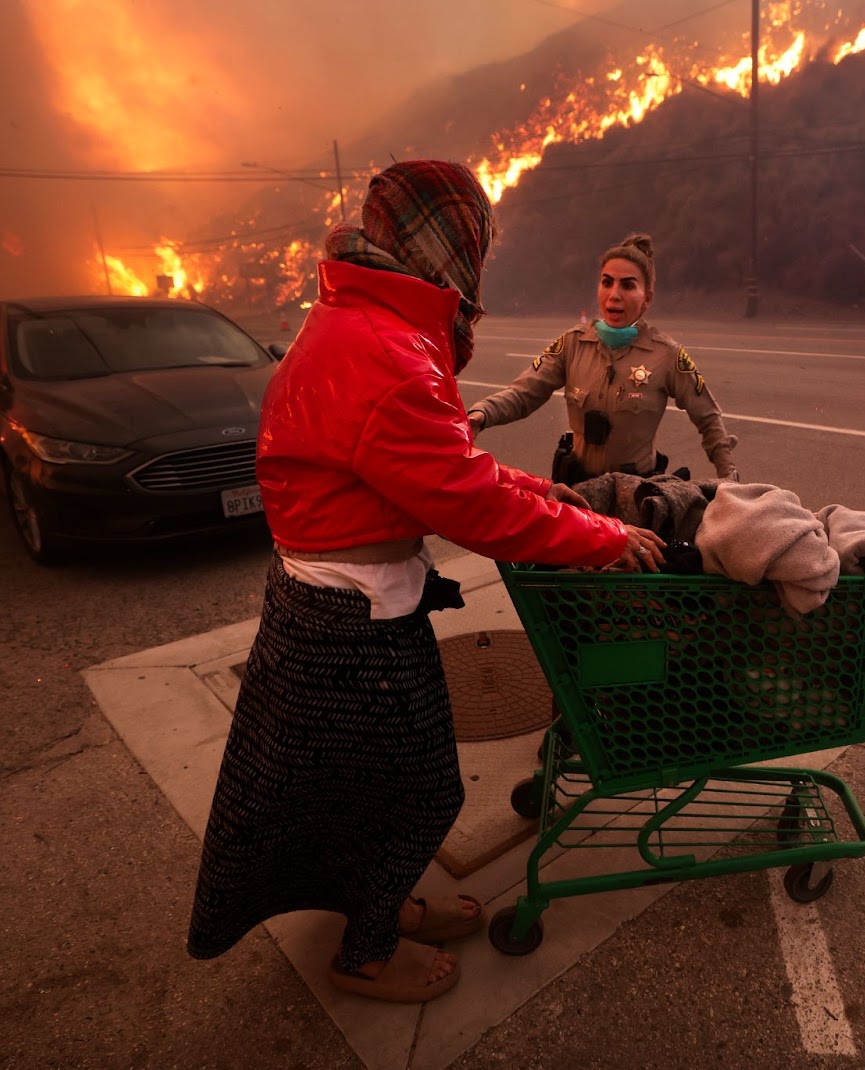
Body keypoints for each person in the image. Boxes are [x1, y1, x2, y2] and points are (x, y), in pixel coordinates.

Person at [186, 160, 666, 1005]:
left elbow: (441, 468)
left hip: (337, 601)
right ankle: (366, 951)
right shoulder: (385, 347)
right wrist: (597, 537)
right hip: (348, 620)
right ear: (453, 245)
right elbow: (463, 502)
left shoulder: (362, 316)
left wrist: (540, 490)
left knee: (362, 786)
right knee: (419, 791)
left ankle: (386, 902)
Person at [467, 233, 739, 484]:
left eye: (628, 285)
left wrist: (729, 478)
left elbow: (708, 419)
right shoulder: (572, 344)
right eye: (607, 282)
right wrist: (482, 414)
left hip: (636, 495)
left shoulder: (667, 355)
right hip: (578, 493)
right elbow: (522, 394)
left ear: (647, 299)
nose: (614, 294)